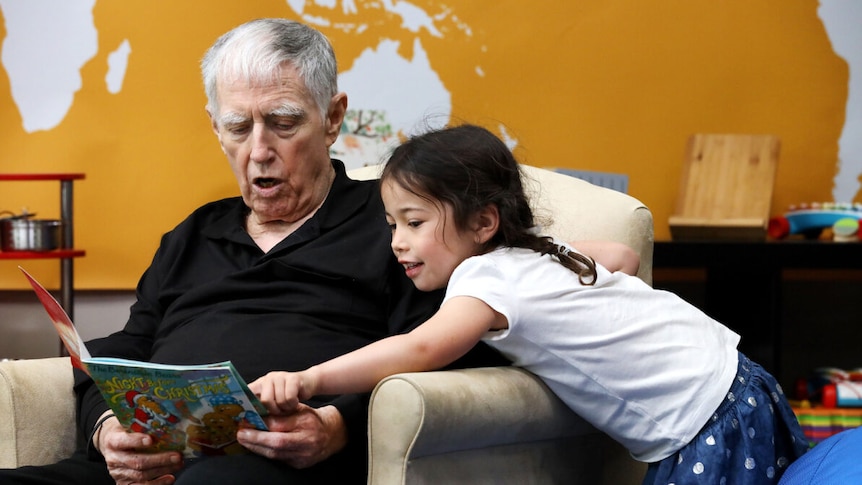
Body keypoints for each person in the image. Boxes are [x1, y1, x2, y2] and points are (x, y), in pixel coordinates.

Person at [0, 19, 632, 485]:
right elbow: (124, 353)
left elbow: (438, 353)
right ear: (214, 125)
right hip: (155, 469)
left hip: (279, 468)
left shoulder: (399, 229)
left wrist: (339, 425)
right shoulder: (192, 235)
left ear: (332, 119)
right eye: (237, 127)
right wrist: (107, 430)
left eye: (282, 122)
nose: (258, 151)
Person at [249, 123, 811, 485]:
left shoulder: (486, 278)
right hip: (743, 379)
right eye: (392, 224)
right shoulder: (532, 257)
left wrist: (308, 379)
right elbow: (621, 256)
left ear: (484, 222)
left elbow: (419, 346)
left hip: (705, 417)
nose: (397, 241)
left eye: (414, 224)